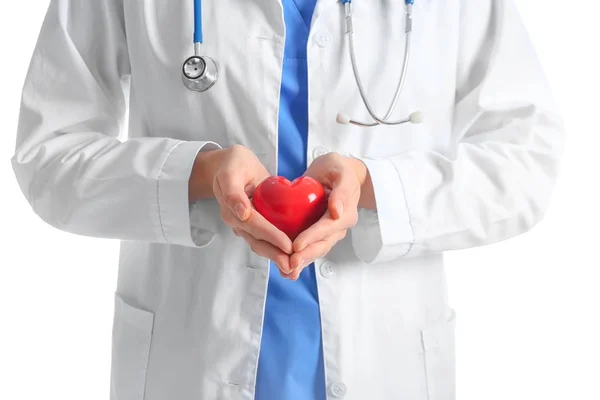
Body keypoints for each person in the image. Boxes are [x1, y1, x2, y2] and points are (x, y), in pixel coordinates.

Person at [11, 0, 564, 399]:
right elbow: (48, 156)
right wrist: (197, 174)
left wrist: (373, 187)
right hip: (193, 357)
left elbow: (525, 162)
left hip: (386, 361)